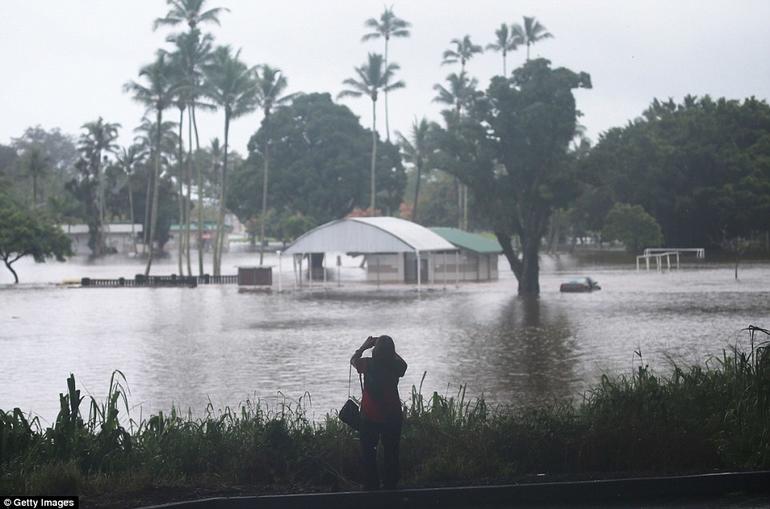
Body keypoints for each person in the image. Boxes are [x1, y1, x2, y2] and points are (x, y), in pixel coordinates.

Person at [350, 335, 408, 490]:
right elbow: (403, 364)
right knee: (391, 451)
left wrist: (364, 346)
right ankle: (391, 483)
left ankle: (371, 483)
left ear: (374, 352)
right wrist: (389, 351)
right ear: (392, 352)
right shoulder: (397, 367)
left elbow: (353, 360)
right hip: (393, 416)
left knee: (368, 452)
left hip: (370, 416)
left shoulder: (367, 364)